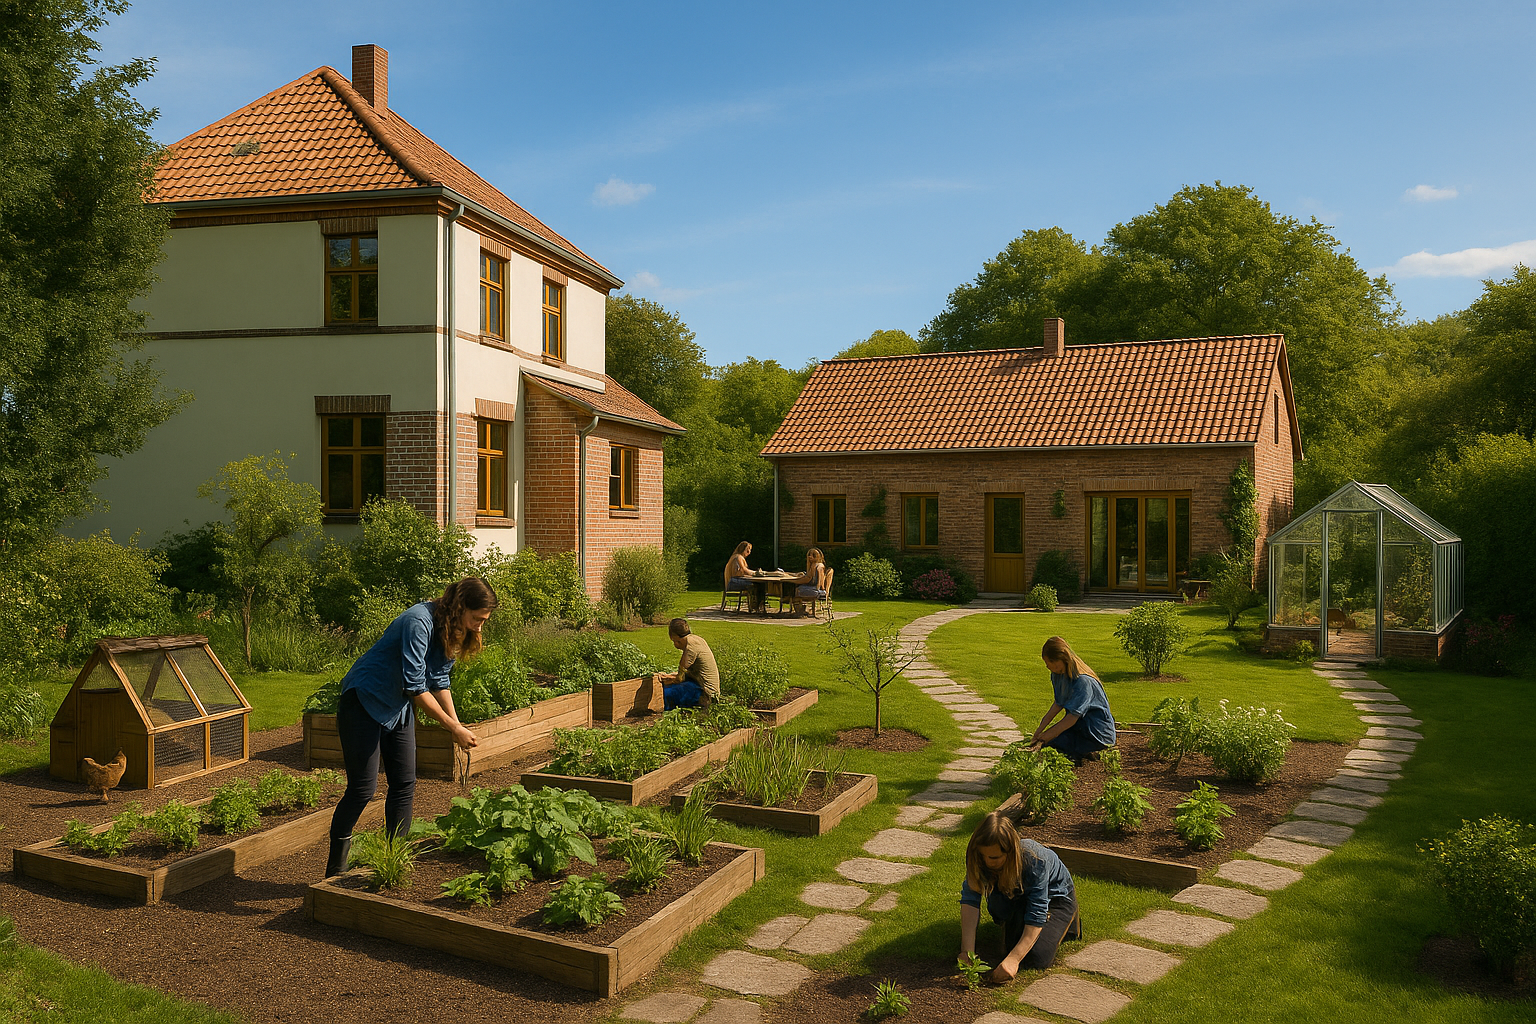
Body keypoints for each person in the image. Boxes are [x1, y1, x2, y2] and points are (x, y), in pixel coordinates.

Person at [325, 578, 495, 876]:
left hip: (397, 707)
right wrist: (451, 728)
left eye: (484, 621)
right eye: (477, 619)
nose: (479, 627)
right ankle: (335, 868)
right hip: (364, 701)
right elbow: (416, 687)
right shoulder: (418, 622)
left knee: (404, 783)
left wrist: (457, 724)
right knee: (363, 789)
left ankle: (393, 860)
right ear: (460, 607)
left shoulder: (450, 628)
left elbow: (439, 680)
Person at [959, 811, 1081, 982]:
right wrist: (967, 952)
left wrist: (1013, 960)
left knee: (1037, 957)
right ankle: (1017, 924)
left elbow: (1037, 911)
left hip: (1055, 899)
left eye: (994, 857)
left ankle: (1068, 923)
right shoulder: (979, 858)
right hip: (1016, 895)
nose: (987, 862)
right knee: (1008, 943)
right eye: (983, 855)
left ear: (1010, 852)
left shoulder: (1035, 860)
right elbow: (970, 900)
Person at [1029, 635, 1116, 766]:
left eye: (1048, 662)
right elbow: (1058, 703)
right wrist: (1038, 732)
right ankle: (1083, 752)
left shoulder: (1083, 681)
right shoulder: (1057, 675)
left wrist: (1045, 737)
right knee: (1050, 744)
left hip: (1095, 732)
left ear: (1060, 659)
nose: (1047, 666)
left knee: (1055, 748)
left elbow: (1072, 718)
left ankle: (1085, 752)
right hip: (1079, 728)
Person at [658, 617, 720, 710]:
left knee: (665, 693)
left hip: (706, 692)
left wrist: (666, 680)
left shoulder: (691, 647)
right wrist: (668, 676)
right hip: (700, 684)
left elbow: (680, 678)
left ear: (674, 636)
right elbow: (690, 673)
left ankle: (665, 712)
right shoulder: (696, 639)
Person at [791, 547, 828, 617]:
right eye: (809, 555)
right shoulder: (819, 565)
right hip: (819, 590)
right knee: (799, 588)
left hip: (817, 591)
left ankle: (800, 611)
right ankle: (802, 609)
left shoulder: (817, 566)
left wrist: (793, 580)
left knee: (796, 590)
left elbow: (808, 579)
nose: (810, 557)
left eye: (813, 555)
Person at [724, 540, 758, 612]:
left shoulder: (735, 557)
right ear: (743, 549)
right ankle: (756, 605)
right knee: (756, 584)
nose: (749, 552)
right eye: (748, 550)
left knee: (755, 584)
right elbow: (742, 571)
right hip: (733, 582)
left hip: (731, 582)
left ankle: (755, 605)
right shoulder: (738, 557)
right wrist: (755, 573)